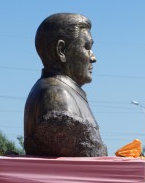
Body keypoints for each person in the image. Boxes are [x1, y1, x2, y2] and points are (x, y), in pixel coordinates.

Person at [24, 13, 108, 157]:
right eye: (87, 47)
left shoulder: (66, 91)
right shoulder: (58, 95)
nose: (93, 58)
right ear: (61, 50)